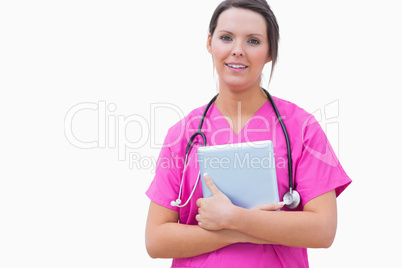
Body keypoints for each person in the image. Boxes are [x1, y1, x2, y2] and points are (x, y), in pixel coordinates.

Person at [145, 0, 352, 267]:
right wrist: (245, 231)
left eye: (253, 41)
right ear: (210, 43)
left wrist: (235, 218)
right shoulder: (183, 134)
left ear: (269, 52)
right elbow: (156, 239)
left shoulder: (303, 128)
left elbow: (323, 230)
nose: (237, 50)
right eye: (226, 37)